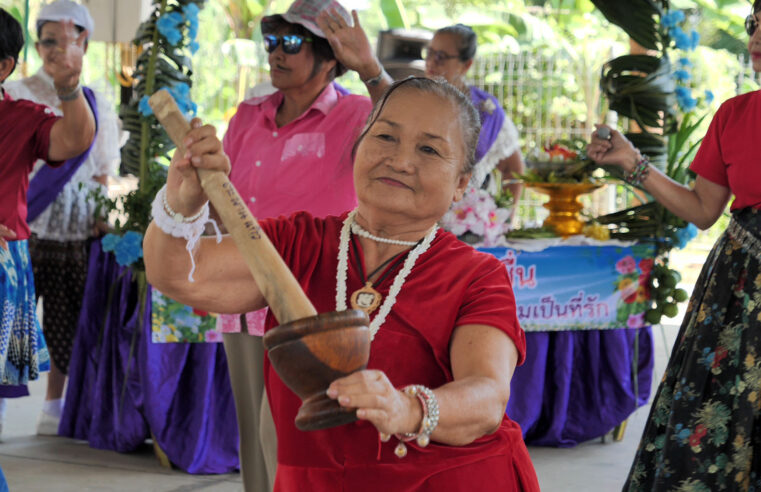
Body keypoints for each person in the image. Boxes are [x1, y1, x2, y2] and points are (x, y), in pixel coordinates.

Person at [144, 76, 539, 491]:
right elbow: (176, 274)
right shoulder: (295, 243)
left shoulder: (477, 276)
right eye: (385, 137)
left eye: (429, 149)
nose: (400, 161)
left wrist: (408, 408)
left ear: (461, 183)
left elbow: (488, 396)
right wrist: (181, 200)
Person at [213, 0, 385, 489]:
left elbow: (404, 119)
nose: (276, 53)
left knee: (290, 429)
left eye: (292, 43)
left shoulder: (356, 112)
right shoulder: (248, 113)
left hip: (311, 296)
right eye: (272, 41)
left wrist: (370, 69)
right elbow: (223, 189)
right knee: (251, 424)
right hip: (242, 293)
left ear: (330, 59)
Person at [588, 4, 761, 488]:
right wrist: (632, 162)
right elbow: (704, 209)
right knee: (718, 423)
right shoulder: (735, 115)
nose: (757, 37)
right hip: (739, 294)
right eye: (755, 24)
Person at [4, 0, 120, 437]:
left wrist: (102, 219)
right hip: (23, 227)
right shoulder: (17, 94)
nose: (53, 51)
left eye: (64, 41)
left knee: (65, 322)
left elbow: (103, 170)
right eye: (46, 41)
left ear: (84, 42)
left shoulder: (95, 102)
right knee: (9, 323)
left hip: (74, 231)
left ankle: (56, 404)